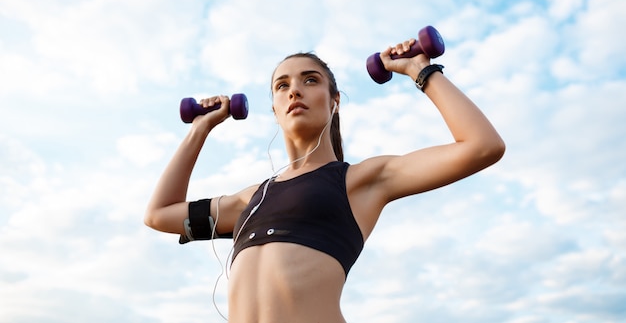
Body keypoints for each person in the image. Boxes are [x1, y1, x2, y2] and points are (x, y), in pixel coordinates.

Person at [144, 38, 505, 323]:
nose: (294, 90)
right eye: (281, 85)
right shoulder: (250, 199)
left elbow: (482, 146)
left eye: (310, 80)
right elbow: (159, 213)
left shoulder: (360, 180)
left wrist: (421, 70)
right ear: (274, 110)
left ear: (335, 102)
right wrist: (201, 128)